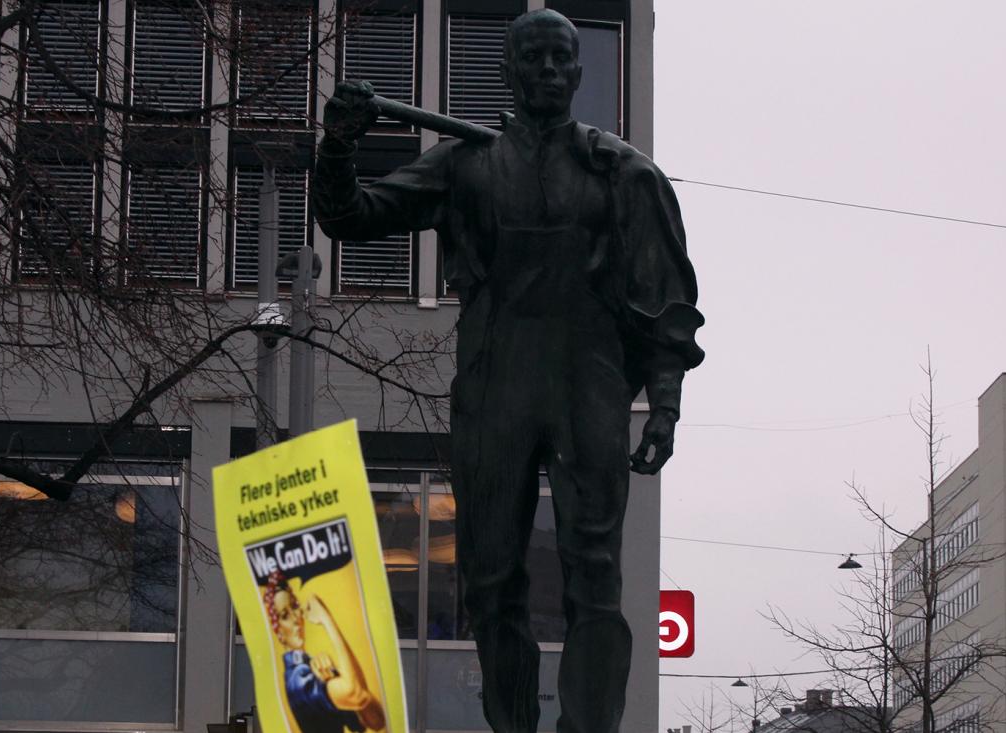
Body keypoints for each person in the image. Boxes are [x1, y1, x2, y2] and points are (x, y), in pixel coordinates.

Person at [311, 9, 704, 733]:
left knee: (597, 577)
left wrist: (668, 404)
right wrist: (337, 143)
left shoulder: (621, 172)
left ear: (579, 74)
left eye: (562, 60)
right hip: (495, 384)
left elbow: (664, 298)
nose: (550, 72)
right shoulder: (466, 165)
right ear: (509, 73)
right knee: (491, 579)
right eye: (535, 60)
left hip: (590, 384)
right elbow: (352, 216)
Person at [263, 571, 386, 733]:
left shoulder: (313, 669)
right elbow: (357, 694)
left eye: (294, 606)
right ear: (277, 630)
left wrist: (334, 678)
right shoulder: (298, 679)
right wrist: (327, 620)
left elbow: (376, 720)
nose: (295, 618)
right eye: (285, 615)